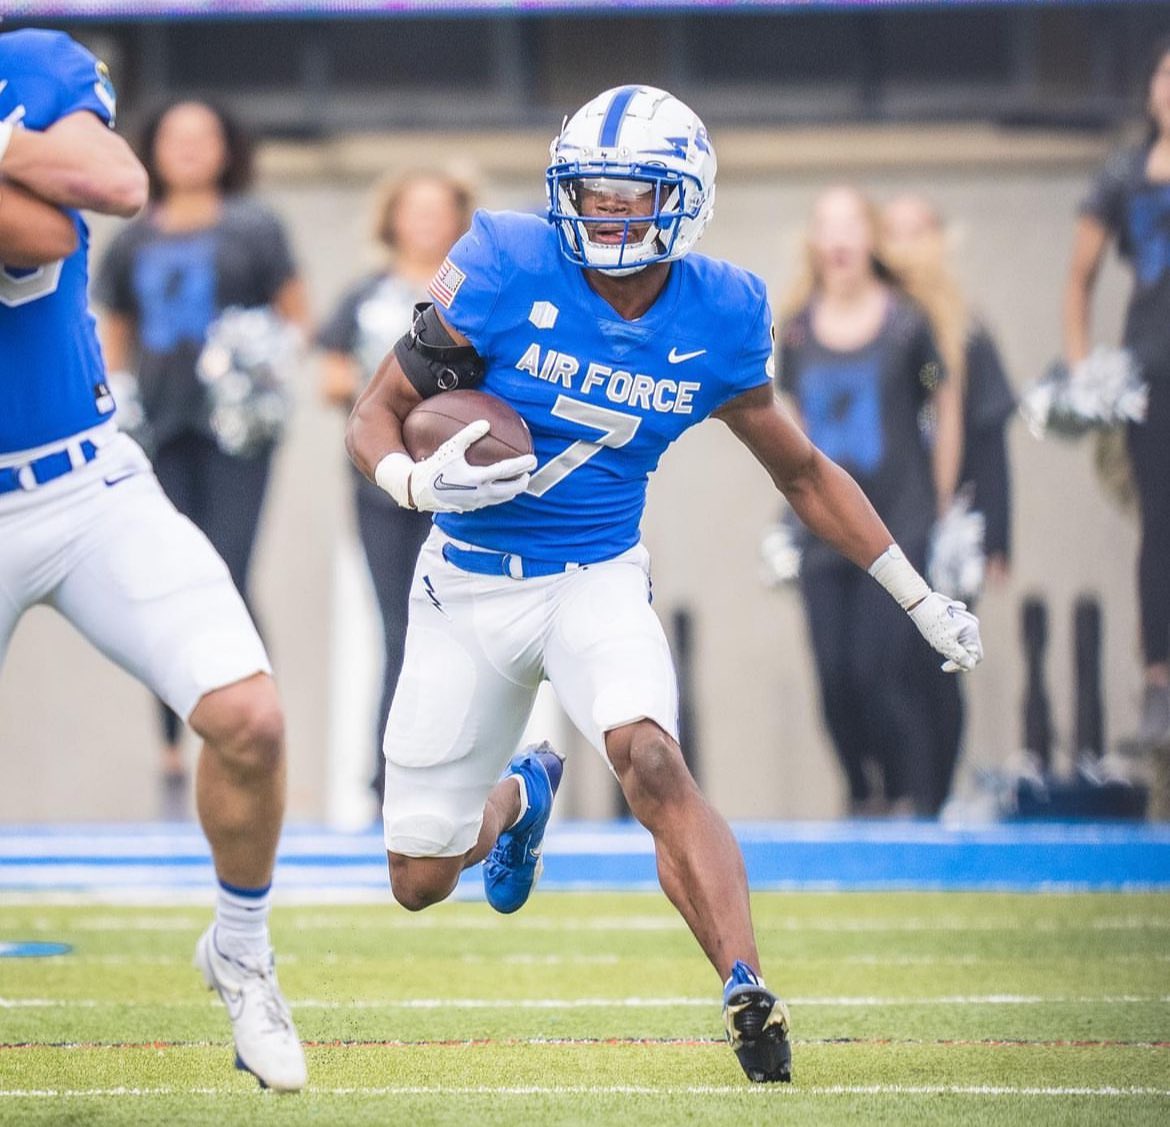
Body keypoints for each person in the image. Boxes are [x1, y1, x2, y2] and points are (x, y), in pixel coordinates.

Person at [346, 85, 982, 1083]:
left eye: (628, 195)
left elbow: (804, 471)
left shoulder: (721, 313)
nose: (606, 214)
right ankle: (522, 798)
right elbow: (373, 413)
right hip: (464, 584)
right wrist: (414, 479)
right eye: (590, 193)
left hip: (594, 575)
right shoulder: (507, 262)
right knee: (420, 875)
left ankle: (746, 987)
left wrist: (918, 594)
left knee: (652, 760)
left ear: (681, 200)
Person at [0, 29, 305, 1090]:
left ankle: (242, 947)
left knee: (249, 716)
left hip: (85, 480)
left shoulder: (28, 62)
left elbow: (97, 190)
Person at [94, 99, 309, 811]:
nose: (188, 149)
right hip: (158, 431)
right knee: (166, 584)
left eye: (203, 137)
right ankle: (169, 750)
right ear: (152, 149)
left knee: (228, 572)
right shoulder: (129, 240)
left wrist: (261, 372)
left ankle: (253, 731)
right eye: (175, 138)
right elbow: (115, 335)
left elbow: (295, 320)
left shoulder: (255, 226)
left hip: (234, 435)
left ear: (226, 148)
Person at [777, 185, 965, 816]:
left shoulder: (909, 325)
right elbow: (791, 424)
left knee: (880, 670)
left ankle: (915, 795)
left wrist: (937, 506)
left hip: (897, 523)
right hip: (824, 533)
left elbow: (943, 398)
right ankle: (862, 791)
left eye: (850, 224)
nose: (838, 239)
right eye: (825, 225)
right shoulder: (798, 334)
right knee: (834, 680)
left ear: (871, 238)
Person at [317, 171, 470, 801]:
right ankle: (391, 773)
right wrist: (387, 392)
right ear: (393, 219)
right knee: (398, 625)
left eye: (440, 211)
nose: (427, 223)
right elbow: (330, 378)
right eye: (416, 210)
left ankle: (458, 766)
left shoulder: (474, 294)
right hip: (383, 481)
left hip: (459, 479)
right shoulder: (366, 294)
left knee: (456, 621)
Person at [881, 191, 1015, 812]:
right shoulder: (881, 325)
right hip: (892, 518)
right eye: (895, 233)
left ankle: (933, 791)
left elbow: (988, 436)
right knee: (887, 663)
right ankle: (906, 786)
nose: (906, 248)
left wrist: (997, 534)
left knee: (938, 657)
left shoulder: (964, 329)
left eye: (918, 232)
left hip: (952, 522)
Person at [1064, 35, 1170, 748]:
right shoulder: (1126, 173)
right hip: (1152, 369)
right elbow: (1080, 278)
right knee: (1162, 523)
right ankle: (1161, 681)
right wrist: (1083, 370)